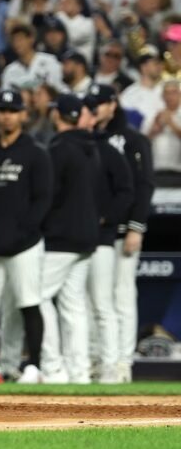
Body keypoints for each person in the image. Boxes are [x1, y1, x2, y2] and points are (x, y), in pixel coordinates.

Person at [0, 90, 53, 385]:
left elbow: (43, 199)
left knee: (28, 303)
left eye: (13, 110)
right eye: (2, 110)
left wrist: (26, 230)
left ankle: (34, 366)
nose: (7, 115)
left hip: (24, 244)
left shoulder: (35, 151)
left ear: (23, 115)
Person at [87, 83, 151, 383]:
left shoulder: (133, 139)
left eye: (100, 103)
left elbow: (143, 185)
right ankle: (98, 358)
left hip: (124, 229)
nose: (95, 108)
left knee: (122, 295)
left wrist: (137, 227)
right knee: (94, 298)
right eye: (92, 104)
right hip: (95, 233)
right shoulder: (88, 140)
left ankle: (123, 361)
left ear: (113, 104)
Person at [37, 95, 100, 384]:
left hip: (61, 237)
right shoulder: (92, 147)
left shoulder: (59, 148)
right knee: (74, 305)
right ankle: (79, 371)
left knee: (37, 297)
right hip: (87, 237)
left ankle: (53, 368)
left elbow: (50, 195)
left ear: (58, 116)